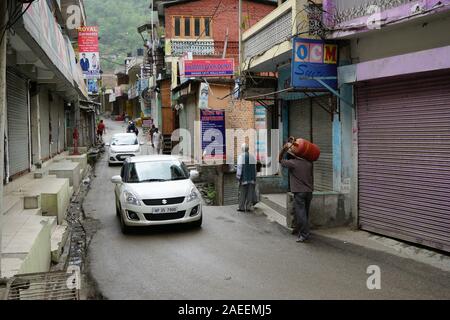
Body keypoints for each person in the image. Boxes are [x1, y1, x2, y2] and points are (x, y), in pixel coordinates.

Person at [279, 138, 314, 243]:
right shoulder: (309, 163)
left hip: (299, 192)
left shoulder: (293, 163)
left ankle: (304, 235)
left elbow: (280, 160)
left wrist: (284, 149)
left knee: (301, 213)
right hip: (309, 191)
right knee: (305, 213)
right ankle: (301, 231)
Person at [237, 143, 257, 212]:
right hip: (252, 178)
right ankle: (248, 206)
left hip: (244, 178)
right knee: (250, 193)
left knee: (242, 193)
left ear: (242, 149)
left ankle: (241, 207)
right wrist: (254, 177)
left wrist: (238, 177)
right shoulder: (252, 157)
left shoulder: (241, 156)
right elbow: (255, 168)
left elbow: (239, 168)